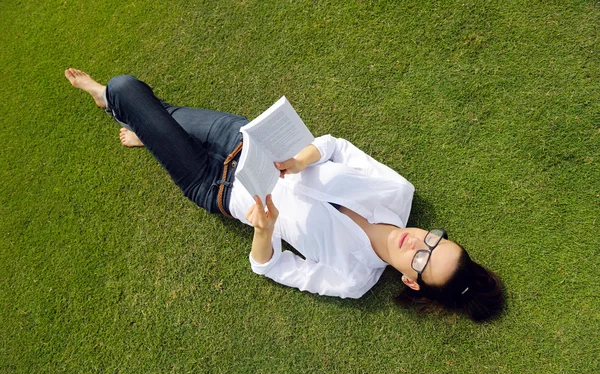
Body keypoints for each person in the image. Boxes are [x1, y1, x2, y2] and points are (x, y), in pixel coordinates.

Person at [65, 68, 505, 321]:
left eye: (424, 260)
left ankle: (113, 104)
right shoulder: (397, 191)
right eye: (436, 239)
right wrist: (299, 161)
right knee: (165, 117)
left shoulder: (353, 279)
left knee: (123, 88)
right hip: (245, 142)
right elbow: (334, 147)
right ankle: (147, 129)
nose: (420, 242)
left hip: (216, 186)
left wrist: (265, 229)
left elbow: (269, 266)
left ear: (412, 281)